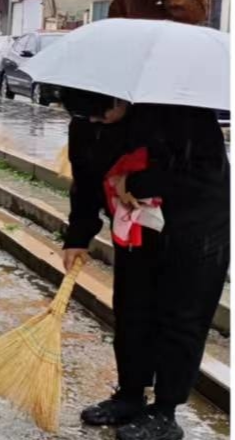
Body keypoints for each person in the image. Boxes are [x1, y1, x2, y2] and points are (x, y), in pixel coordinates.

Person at [61, 88, 229, 440]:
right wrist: (78, 236)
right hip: (136, 230)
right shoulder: (85, 122)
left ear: (121, 99)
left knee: (181, 318)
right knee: (132, 311)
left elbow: (204, 173)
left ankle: (166, 412)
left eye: (103, 114)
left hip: (194, 230)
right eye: (88, 118)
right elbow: (87, 178)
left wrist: (137, 182)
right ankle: (130, 395)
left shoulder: (184, 113)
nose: (97, 123)